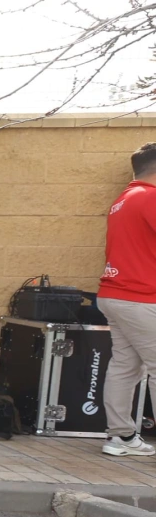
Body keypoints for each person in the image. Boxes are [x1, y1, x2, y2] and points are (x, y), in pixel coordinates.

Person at [96, 142, 156, 458]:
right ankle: (121, 436)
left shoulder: (123, 199)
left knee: (125, 367)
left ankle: (121, 437)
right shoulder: (150, 197)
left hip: (115, 294)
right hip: (141, 298)